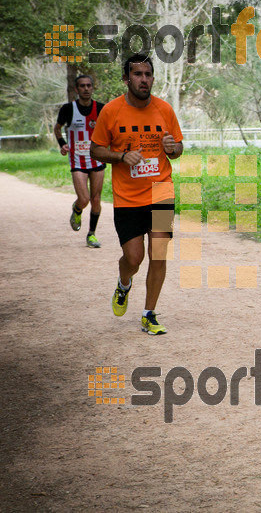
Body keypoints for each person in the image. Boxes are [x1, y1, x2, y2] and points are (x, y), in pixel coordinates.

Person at [90, 54, 183, 335]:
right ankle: (124, 283)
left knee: (159, 254)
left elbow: (178, 149)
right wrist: (120, 156)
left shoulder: (164, 110)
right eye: (138, 74)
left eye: (148, 74)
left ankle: (149, 314)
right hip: (128, 198)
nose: (144, 79)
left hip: (161, 191)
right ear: (126, 78)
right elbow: (96, 150)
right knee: (133, 258)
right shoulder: (111, 111)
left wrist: (171, 148)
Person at [54, 75, 105, 248]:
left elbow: (109, 130)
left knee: (96, 199)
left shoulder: (101, 108)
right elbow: (57, 128)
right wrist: (62, 144)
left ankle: (91, 234)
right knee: (84, 199)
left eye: (89, 85)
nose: (86, 89)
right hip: (77, 160)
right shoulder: (68, 109)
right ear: (76, 89)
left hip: (97, 159)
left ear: (92, 88)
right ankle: (77, 210)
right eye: (82, 86)